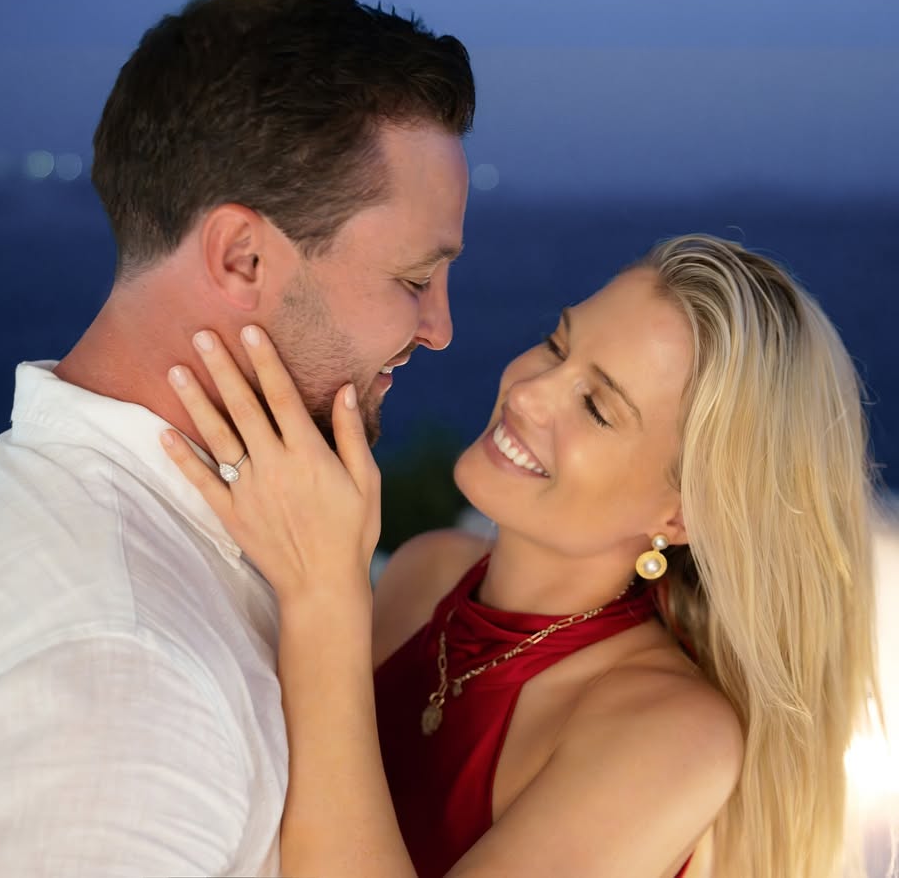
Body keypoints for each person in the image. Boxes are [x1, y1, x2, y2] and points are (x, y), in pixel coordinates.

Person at [0, 0, 475, 877]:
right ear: (242, 257)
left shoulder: (116, 533)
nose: (440, 329)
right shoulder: (117, 676)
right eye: (413, 279)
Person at [162, 234, 882, 878]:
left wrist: (324, 598)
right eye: (557, 346)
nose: (531, 392)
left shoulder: (674, 733)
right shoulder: (425, 571)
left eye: (597, 407)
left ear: (685, 512)